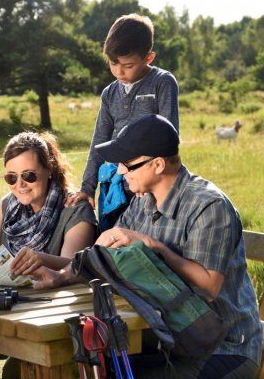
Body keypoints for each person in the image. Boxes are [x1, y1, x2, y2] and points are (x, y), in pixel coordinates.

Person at [34, 115, 262, 378]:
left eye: (128, 165)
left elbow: (208, 287)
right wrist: (60, 276)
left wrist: (151, 246)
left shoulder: (208, 206)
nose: (120, 171)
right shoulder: (143, 200)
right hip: (167, 343)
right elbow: (104, 254)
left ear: (157, 164)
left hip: (222, 349)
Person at [0, 131, 98, 379]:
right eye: (11, 177)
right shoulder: (11, 204)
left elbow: (74, 265)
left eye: (28, 175)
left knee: (15, 371)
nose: (20, 184)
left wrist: (41, 258)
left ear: (49, 169)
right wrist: (4, 260)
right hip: (12, 309)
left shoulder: (74, 208)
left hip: (52, 316)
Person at [67, 13, 180, 230]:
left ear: (148, 58)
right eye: (113, 63)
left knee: (145, 239)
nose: (119, 71)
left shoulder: (162, 83)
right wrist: (88, 187)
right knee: (112, 237)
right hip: (115, 182)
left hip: (149, 184)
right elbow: (99, 140)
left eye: (128, 65)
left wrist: (158, 185)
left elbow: (169, 138)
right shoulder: (110, 93)